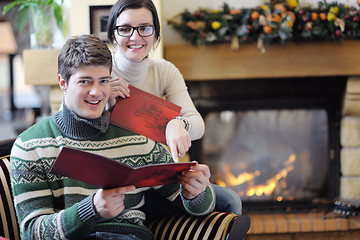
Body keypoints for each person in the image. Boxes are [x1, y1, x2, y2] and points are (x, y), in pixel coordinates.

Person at [10, 34, 215, 240]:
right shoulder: (30, 146)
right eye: (85, 82)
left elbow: (196, 206)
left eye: (103, 81)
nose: (96, 92)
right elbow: (31, 233)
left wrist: (195, 193)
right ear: (63, 82)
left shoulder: (138, 137)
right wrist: (89, 210)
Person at [106, 0, 242, 216]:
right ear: (113, 35)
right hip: (114, 184)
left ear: (156, 35)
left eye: (144, 28)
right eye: (125, 29)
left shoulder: (164, 71)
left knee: (229, 201)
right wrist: (105, 104)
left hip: (156, 180)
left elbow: (198, 124)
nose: (135, 37)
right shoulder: (100, 71)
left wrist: (179, 122)